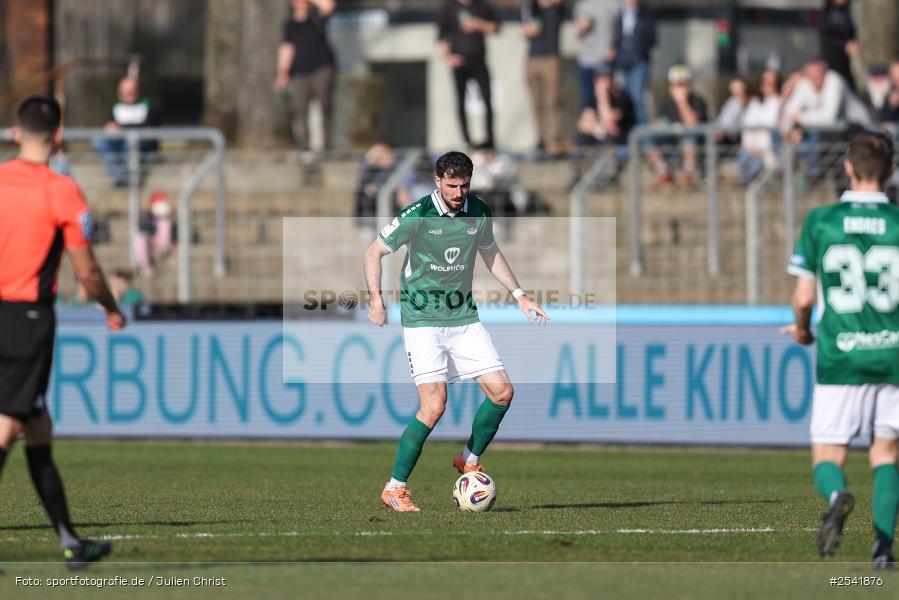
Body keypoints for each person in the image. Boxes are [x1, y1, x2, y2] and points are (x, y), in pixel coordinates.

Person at [364, 151, 549, 512]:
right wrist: (376, 300)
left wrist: (520, 296)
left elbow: (491, 252)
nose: (459, 192)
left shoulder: (478, 211)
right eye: (451, 185)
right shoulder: (417, 215)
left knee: (502, 393)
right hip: (423, 321)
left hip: (463, 318)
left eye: (464, 185)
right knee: (434, 407)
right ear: (437, 182)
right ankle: (395, 488)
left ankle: (469, 457)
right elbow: (373, 252)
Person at [0, 97, 126, 568]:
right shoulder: (61, 191)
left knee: (37, 427)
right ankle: (71, 541)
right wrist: (110, 307)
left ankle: (72, 542)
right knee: (9, 424)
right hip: (25, 318)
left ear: (16, 131)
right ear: (58, 136)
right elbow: (87, 270)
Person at [782, 131, 899, 569]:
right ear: (890, 171)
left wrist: (801, 330)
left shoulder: (821, 221)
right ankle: (883, 550)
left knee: (827, 457)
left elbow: (805, 298)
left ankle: (837, 495)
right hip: (893, 356)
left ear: (847, 167)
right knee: (886, 454)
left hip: (840, 357)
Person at [273, 0, 337, 157]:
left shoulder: (316, 17)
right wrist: (282, 74)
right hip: (299, 72)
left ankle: (324, 148)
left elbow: (328, 6)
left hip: (321, 68)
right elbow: (287, 48)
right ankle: (304, 148)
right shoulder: (289, 25)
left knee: (323, 107)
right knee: (299, 109)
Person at [437, 0, 500, 150]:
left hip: (479, 60)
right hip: (459, 63)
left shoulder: (482, 6)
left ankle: (489, 139)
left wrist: (478, 24)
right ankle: (466, 140)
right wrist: (449, 58)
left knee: (487, 99)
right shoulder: (448, 8)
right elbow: (441, 38)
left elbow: (496, 28)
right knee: (460, 101)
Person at [91, 75, 159, 187]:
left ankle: (129, 179)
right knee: (99, 140)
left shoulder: (148, 107)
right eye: (126, 91)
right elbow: (112, 126)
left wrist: (122, 128)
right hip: (119, 143)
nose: (129, 93)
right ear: (120, 92)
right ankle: (120, 176)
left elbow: (148, 128)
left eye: (132, 90)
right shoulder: (116, 108)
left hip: (141, 145)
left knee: (130, 143)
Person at [647, 65, 708, 187]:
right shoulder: (666, 104)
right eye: (676, 85)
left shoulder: (697, 101)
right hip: (672, 144)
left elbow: (692, 124)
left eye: (683, 84)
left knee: (688, 137)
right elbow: (656, 122)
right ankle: (664, 174)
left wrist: (682, 101)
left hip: (696, 146)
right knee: (649, 140)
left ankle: (688, 175)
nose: (680, 88)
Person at [521, 0, 565, 157]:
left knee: (553, 101)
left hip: (551, 57)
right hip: (532, 58)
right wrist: (527, 30)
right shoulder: (530, 7)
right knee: (536, 102)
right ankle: (540, 139)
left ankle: (554, 139)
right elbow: (524, 28)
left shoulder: (555, 7)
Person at [607, 0, 655, 125]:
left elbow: (652, 38)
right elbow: (616, 36)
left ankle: (642, 132)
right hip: (622, 63)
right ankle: (628, 131)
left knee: (637, 97)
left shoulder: (646, 14)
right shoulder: (620, 13)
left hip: (638, 62)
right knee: (623, 100)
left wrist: (640, 52)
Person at [735, 69, 783, 184]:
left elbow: (771, 129)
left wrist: (759, 148)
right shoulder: (755, 102)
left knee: (755, 168)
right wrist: (749, 146)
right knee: (740, 165)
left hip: (768, 150)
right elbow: (747, 126)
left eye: (771, 83)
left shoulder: (780, 103)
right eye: (764, 82)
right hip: (749, 148)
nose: (766, 86)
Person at [574, 0, 620, 114]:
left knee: (606, 99)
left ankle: (607, 129)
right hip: (586, 60)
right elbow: (577, 34)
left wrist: (614, 47)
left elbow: (621, 31)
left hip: (605, 60)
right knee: (587, 100)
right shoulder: (581, 5)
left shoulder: (613, 5)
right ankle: (590, 129)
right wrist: (581, 28)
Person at [134, 191, 176, 277]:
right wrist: (153, 239)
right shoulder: (147, 218)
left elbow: (174, 235)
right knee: (140, 239)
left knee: (164, 222)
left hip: (163, 245)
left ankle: (163, 250)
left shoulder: (168, 221)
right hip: (151, 244)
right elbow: (144, 231)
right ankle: (145, 265)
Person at [820, 0, 858, 91]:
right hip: (832, 61)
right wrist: (844, 46)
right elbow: (825, 38)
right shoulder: (827, 12)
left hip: (847, 63)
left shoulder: (850, 9)